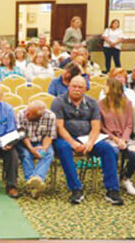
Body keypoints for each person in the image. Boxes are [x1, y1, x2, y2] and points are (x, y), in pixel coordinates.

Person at [52, 76, 123, 205]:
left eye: (80, 87)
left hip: (87, 137)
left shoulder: (92, 103)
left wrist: (90, 142)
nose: (76, 90)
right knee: (63, 148)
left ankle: (112, 190)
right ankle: (76, 189)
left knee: (108, 149)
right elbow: (59, 127)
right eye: (74, 86)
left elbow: (96, 126)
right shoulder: (58, 102)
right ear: (69, 86)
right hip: (66, 138)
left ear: (85, 89)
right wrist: (73, 143)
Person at [100, 78, 135, 195]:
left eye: (106, 85)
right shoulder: (100, 104)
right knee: (113, 152)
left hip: (125, 136)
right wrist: (115, 139)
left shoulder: (127, 103)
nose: (103, 87)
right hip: (109, 137)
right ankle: (112, 179)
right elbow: (102, 126)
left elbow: (129, 124)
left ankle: (126, 178)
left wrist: (124, 139)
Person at [16, 101, 56, 198]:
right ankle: (35, 181)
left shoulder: (50, 116)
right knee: (26, 154)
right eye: (27, 111)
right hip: (25, 142)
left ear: (39, 116)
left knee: (48, 154)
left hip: (41, 142)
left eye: (30, 114)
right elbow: (22, 135)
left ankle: (35, 179)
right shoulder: (21, 114)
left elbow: (49, 135)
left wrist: (44, 148)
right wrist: (31, 148)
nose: (27, 114)